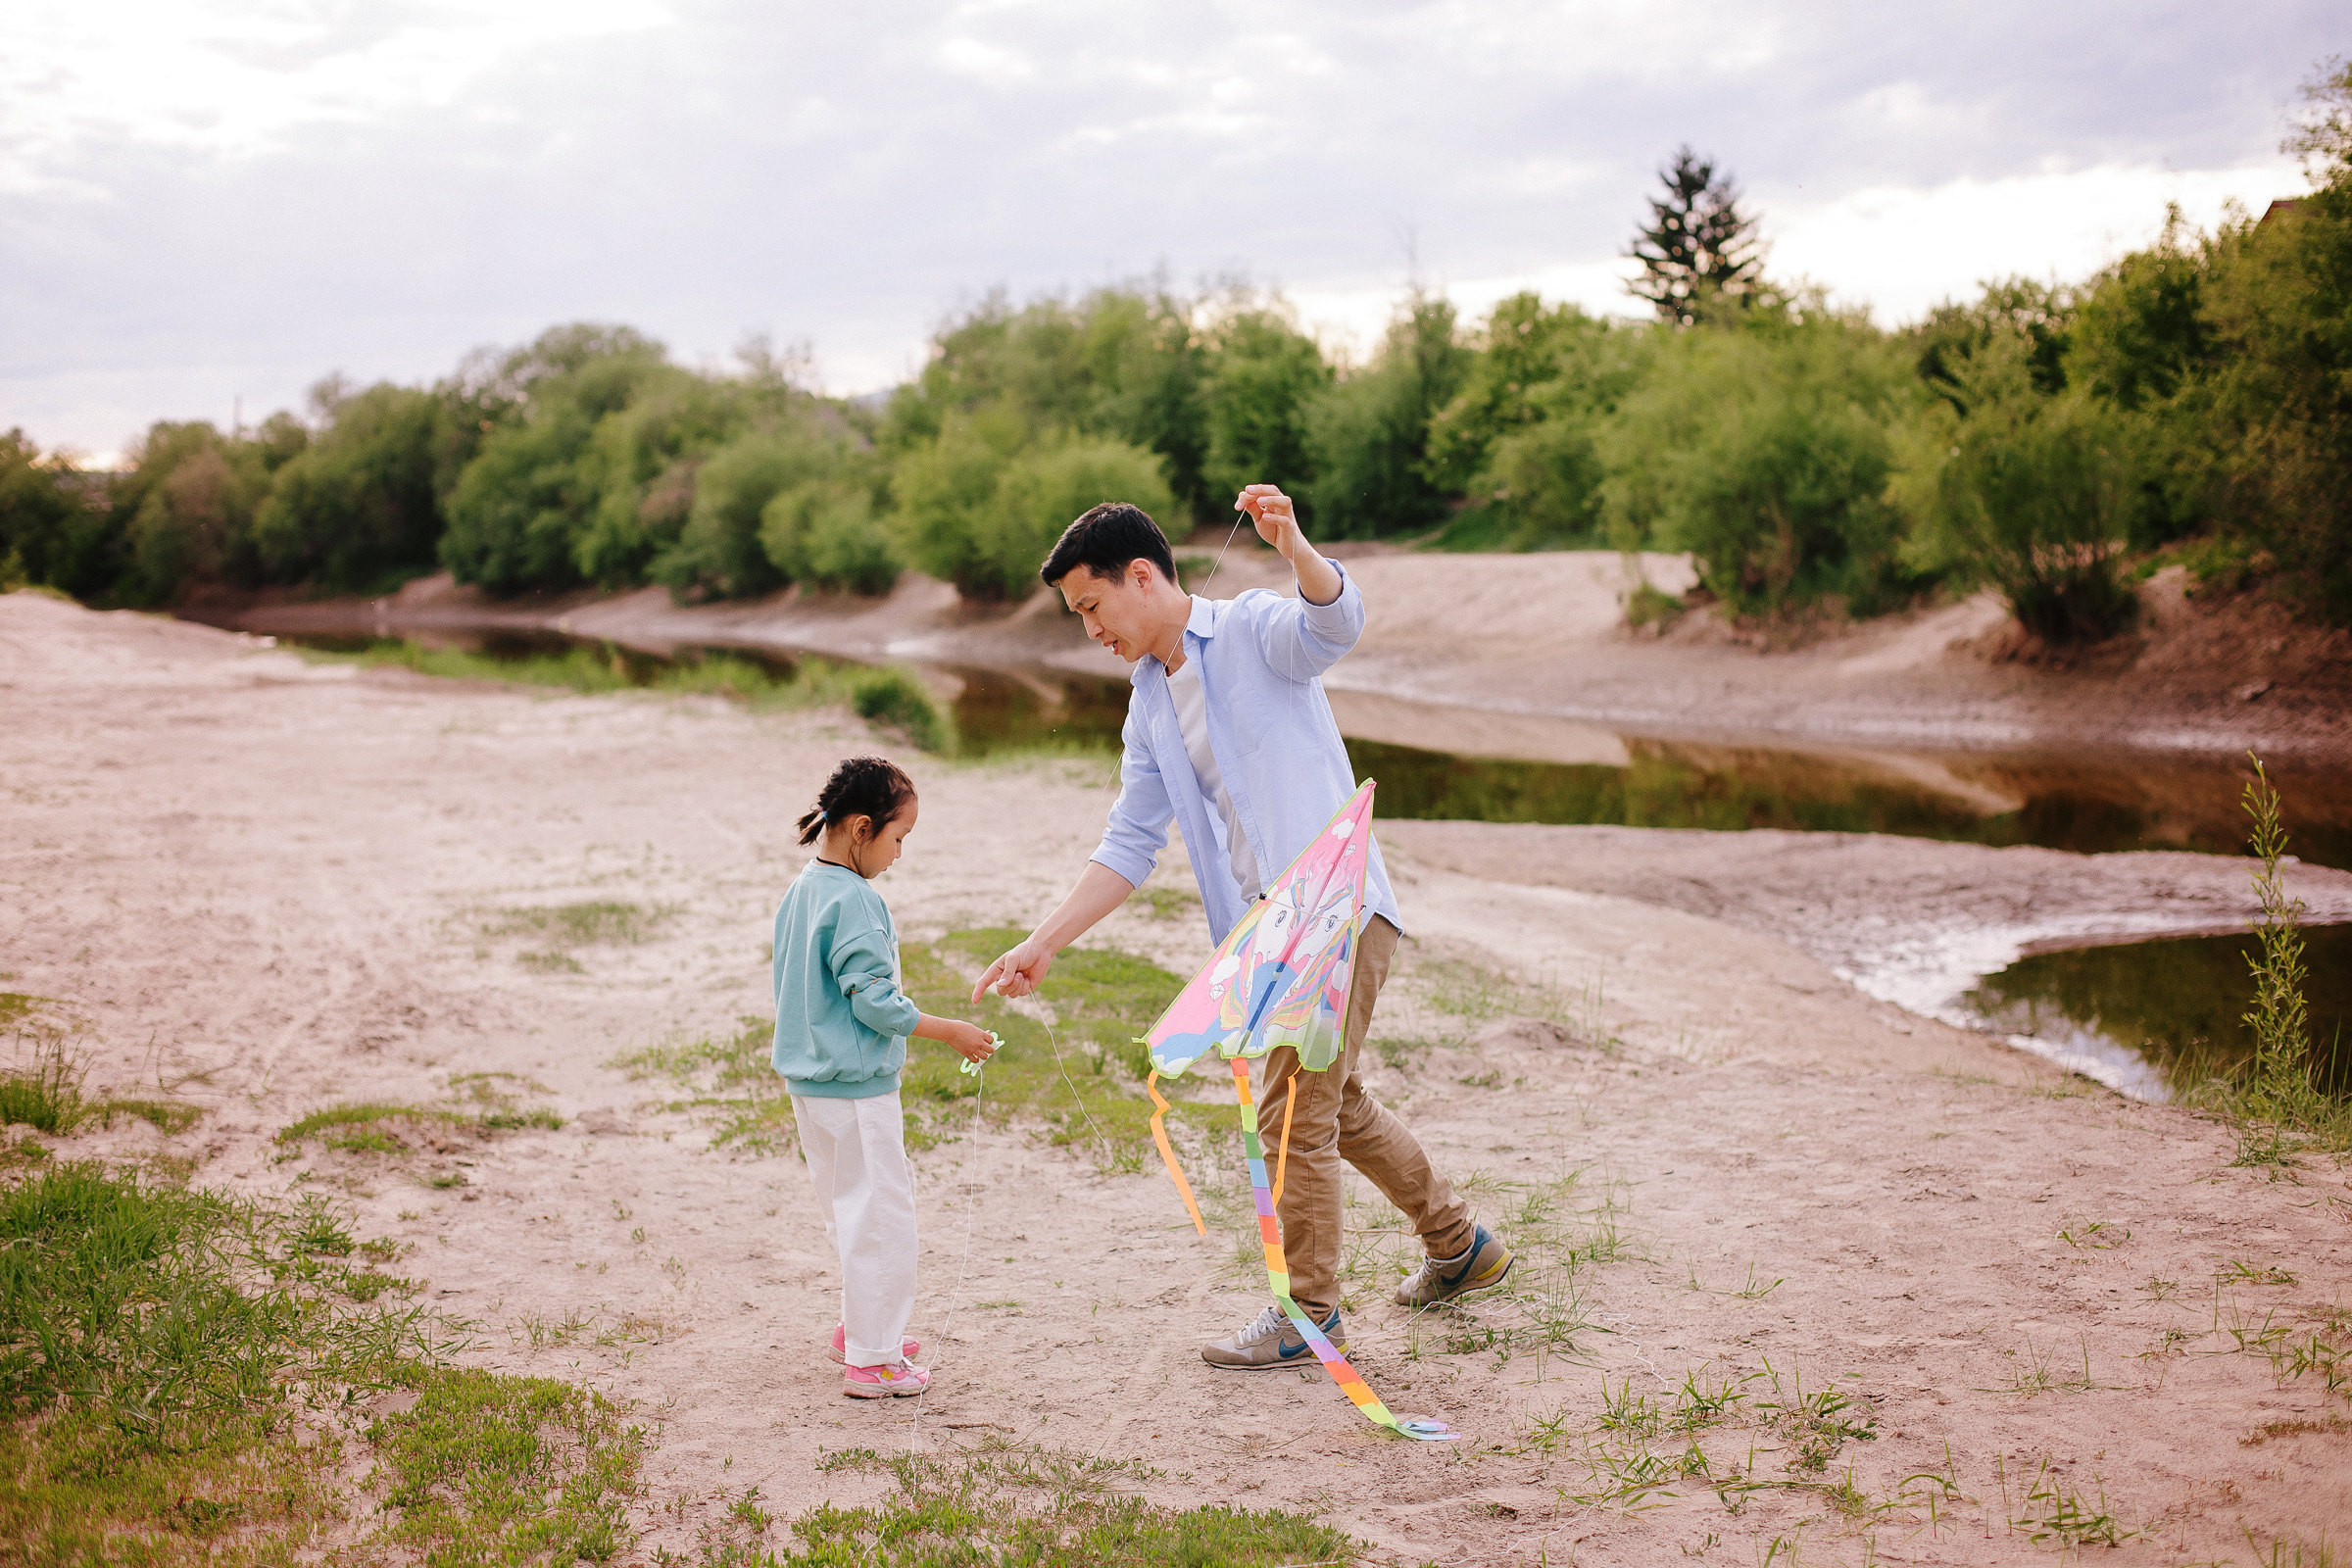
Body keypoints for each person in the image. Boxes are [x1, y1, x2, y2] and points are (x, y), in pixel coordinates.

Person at [972, 486, 1513, 1370]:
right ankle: (1459, 1245)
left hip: (1338, 909)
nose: (1090, 631)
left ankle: (1310, 1314)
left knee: (1293, 1114)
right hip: (1269, 936)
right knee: (1333, 1103)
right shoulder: (1149, 705)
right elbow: (1130, 842)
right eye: (1078, 615)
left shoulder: (1256, 628)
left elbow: (1333, 626)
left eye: (1092, 607)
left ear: (1141, 578)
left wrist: (1296, 546)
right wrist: (1042, 942)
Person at [774, 756, 997, 1397]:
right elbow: (874, 1001)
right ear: (861, 829)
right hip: (854, 1090)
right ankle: (873, 1361)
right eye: (898, 839)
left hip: (810, 1089)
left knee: (851, 1211)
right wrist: (949, 1028)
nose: (899, 855)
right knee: (885, 1222)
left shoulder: (804, 889)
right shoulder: (857, 902)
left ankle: (861, 1326)